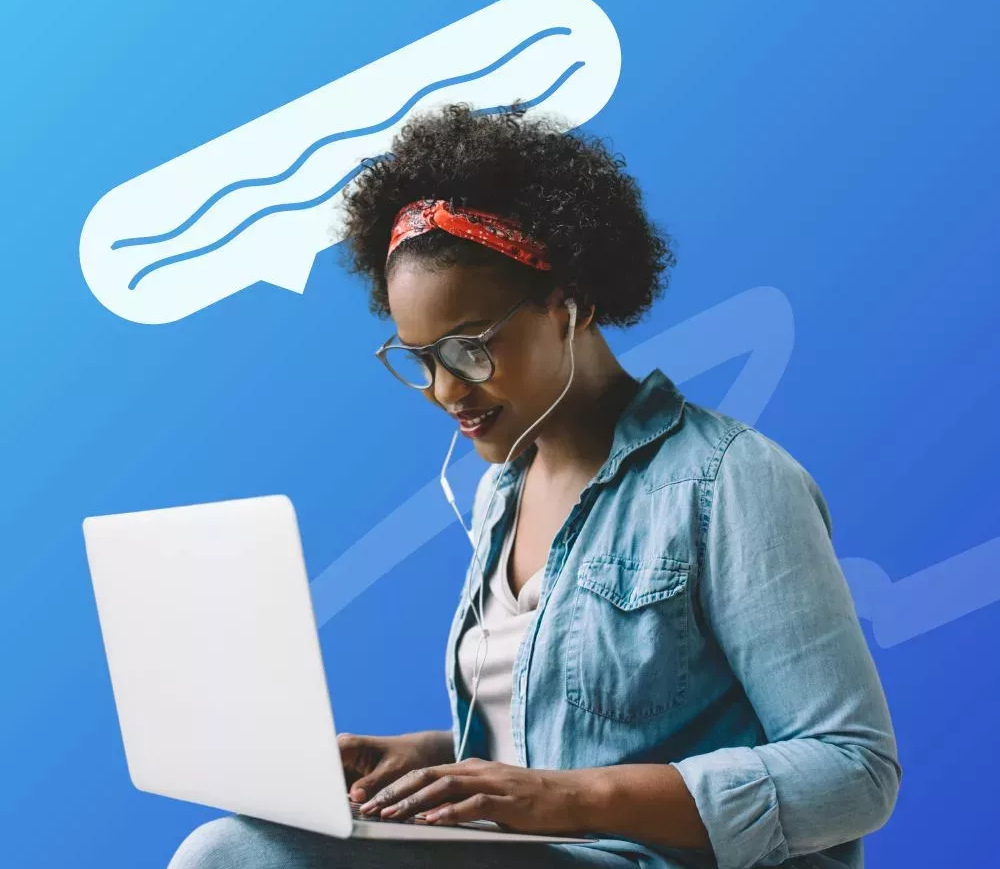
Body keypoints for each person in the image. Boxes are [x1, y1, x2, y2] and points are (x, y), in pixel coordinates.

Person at [169, 105, 900, 869]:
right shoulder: (502, 494)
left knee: (233, 856)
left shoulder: (730, 482)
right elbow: (568, 728)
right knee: (245, 848)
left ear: (570, 305)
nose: (446, 390)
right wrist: (432, 762)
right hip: (533, 855)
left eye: (471, 349)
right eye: (420, 359)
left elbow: (854, 769)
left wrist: (566, 801)